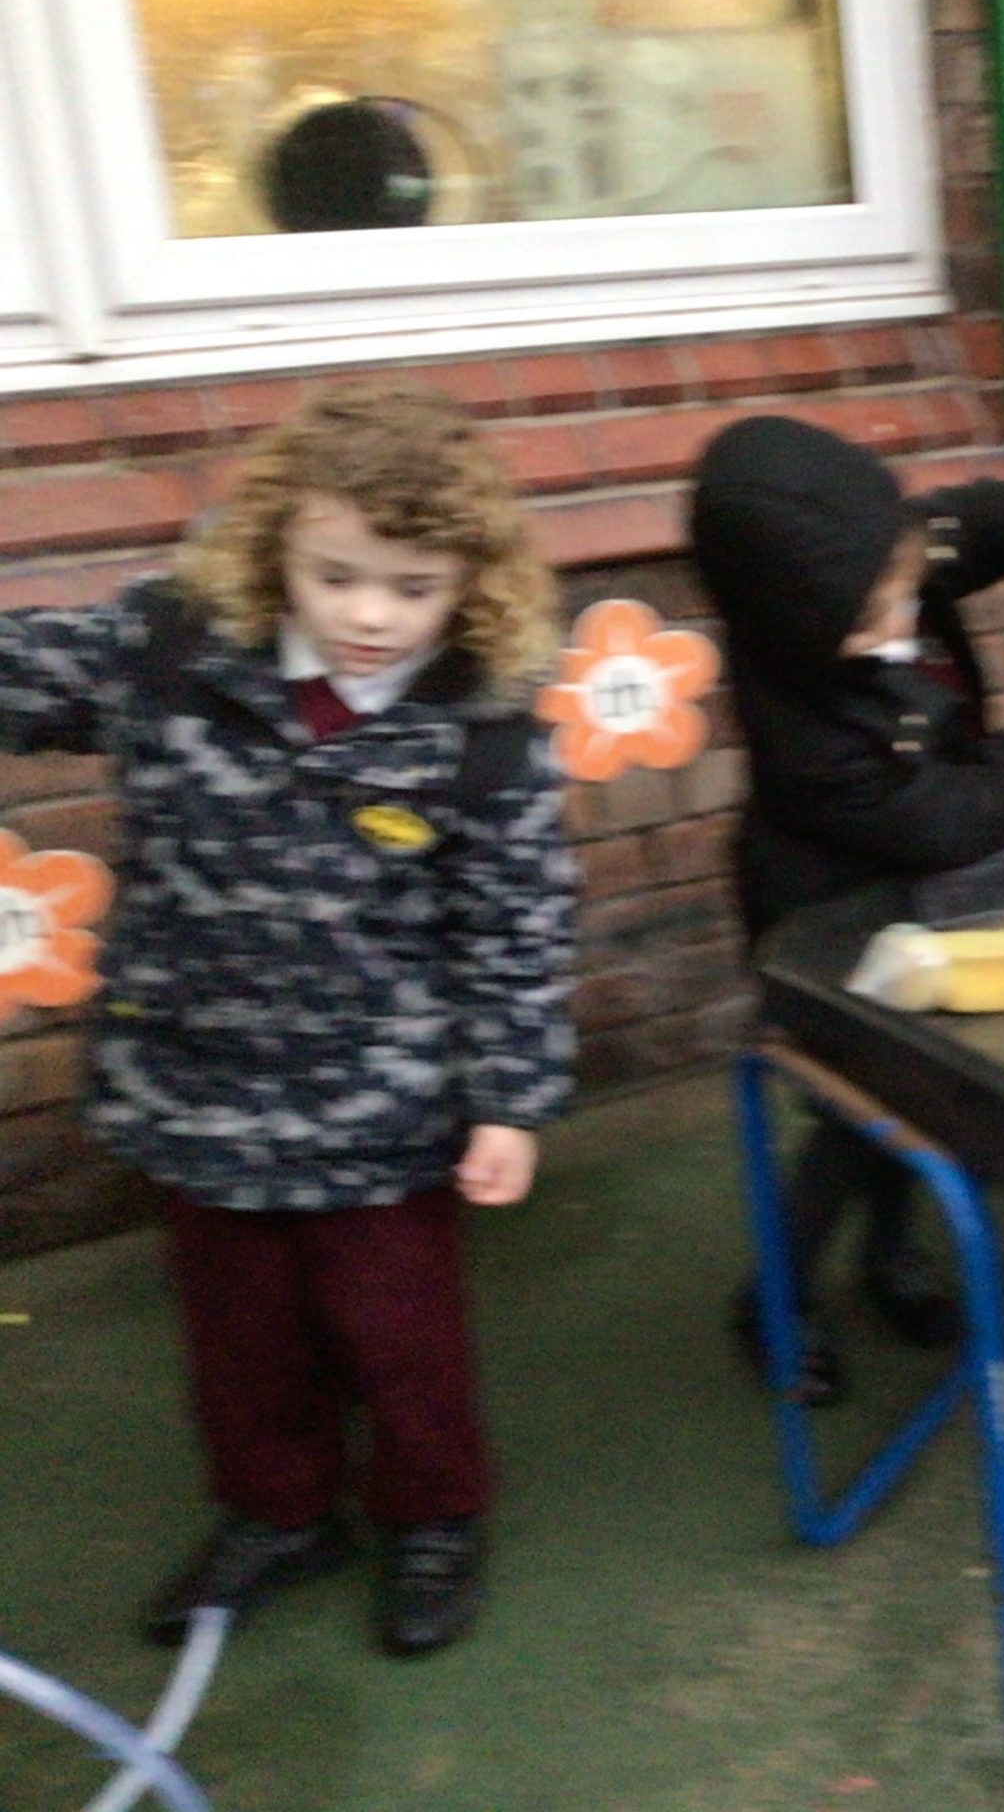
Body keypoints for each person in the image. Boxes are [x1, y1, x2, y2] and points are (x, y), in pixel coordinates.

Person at [0, 384, 575, 1654]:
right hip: (195, 1082)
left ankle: (432, 1516)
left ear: (470, 583)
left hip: (382, 1106)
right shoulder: (170, 648)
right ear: (276, 552)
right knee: (238, 1333)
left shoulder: (481, 731)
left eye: (414, 588)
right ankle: (278, 1511)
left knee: (397, 1330)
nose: (370, 616)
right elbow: (20, 673)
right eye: (336, 577)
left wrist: (509, 1101)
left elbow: (516, 926)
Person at [689, 417, 1004, 1404]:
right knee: (851, 1108)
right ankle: (773, 1296)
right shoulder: (812, 738)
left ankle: (890, 1258)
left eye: (902, 587)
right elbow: (956, 819)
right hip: (824, 918)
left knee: (922, 1081)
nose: (900, 620)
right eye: (869, 623)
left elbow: (970, 525)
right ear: (800, 629)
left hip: (911, 897)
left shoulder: (886, 558)